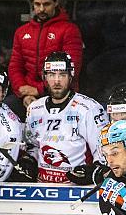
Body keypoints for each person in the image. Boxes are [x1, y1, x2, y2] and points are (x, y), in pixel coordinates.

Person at [23, 51, 107, 183]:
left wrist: (93, 172)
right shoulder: (34, 109)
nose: (57, 81)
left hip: (74, 190)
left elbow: (104, 151)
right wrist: (28, 162)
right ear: (44, 77)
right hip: (41, 188)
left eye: (62, 75)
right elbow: (31, 146)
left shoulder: (89, 108)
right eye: (51, 75)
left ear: (70, 76)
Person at [9, 0, 83, 109]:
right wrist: (23, 92)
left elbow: (72, 69)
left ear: (56, 2)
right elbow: (15, 67)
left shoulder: (69, 30)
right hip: (26, 94)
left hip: (60, 94)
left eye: (46, 4)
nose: (41, 9)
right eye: (37, 4)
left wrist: (39, 90)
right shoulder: (21, 32)